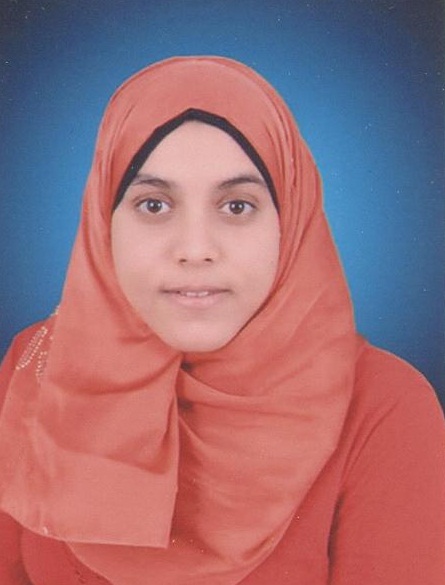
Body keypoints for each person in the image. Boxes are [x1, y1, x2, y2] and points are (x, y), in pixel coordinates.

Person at [0, 56, 444, 585]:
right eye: (153, 205)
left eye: (237, 206)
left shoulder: (384, 406)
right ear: (102, 220)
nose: (195, 249)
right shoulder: (40, 364)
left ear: (290, 222)